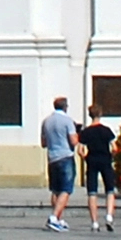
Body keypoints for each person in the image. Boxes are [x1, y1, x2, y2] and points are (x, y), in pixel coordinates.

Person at [41, 94, 81, 230]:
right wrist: (78, 133)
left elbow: (43, 143)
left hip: (52, 157)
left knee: (55, 190)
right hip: (65, 157)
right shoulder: (68, 121)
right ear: (65, 107)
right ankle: (53, 217)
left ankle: (58, 218)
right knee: (66, 189)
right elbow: (73, 141)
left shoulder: (46, 121)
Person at [80, 107, 121, 230]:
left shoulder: (86, 132)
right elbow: (114, 147)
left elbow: (80, 150)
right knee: (109, 190)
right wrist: (112, 156)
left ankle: (94, 222)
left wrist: (86, 158)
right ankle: (109, 216)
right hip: (105, 160)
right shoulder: (106, 130)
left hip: (92, 160)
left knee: (92, 192)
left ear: (89, 115)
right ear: (101, 114)